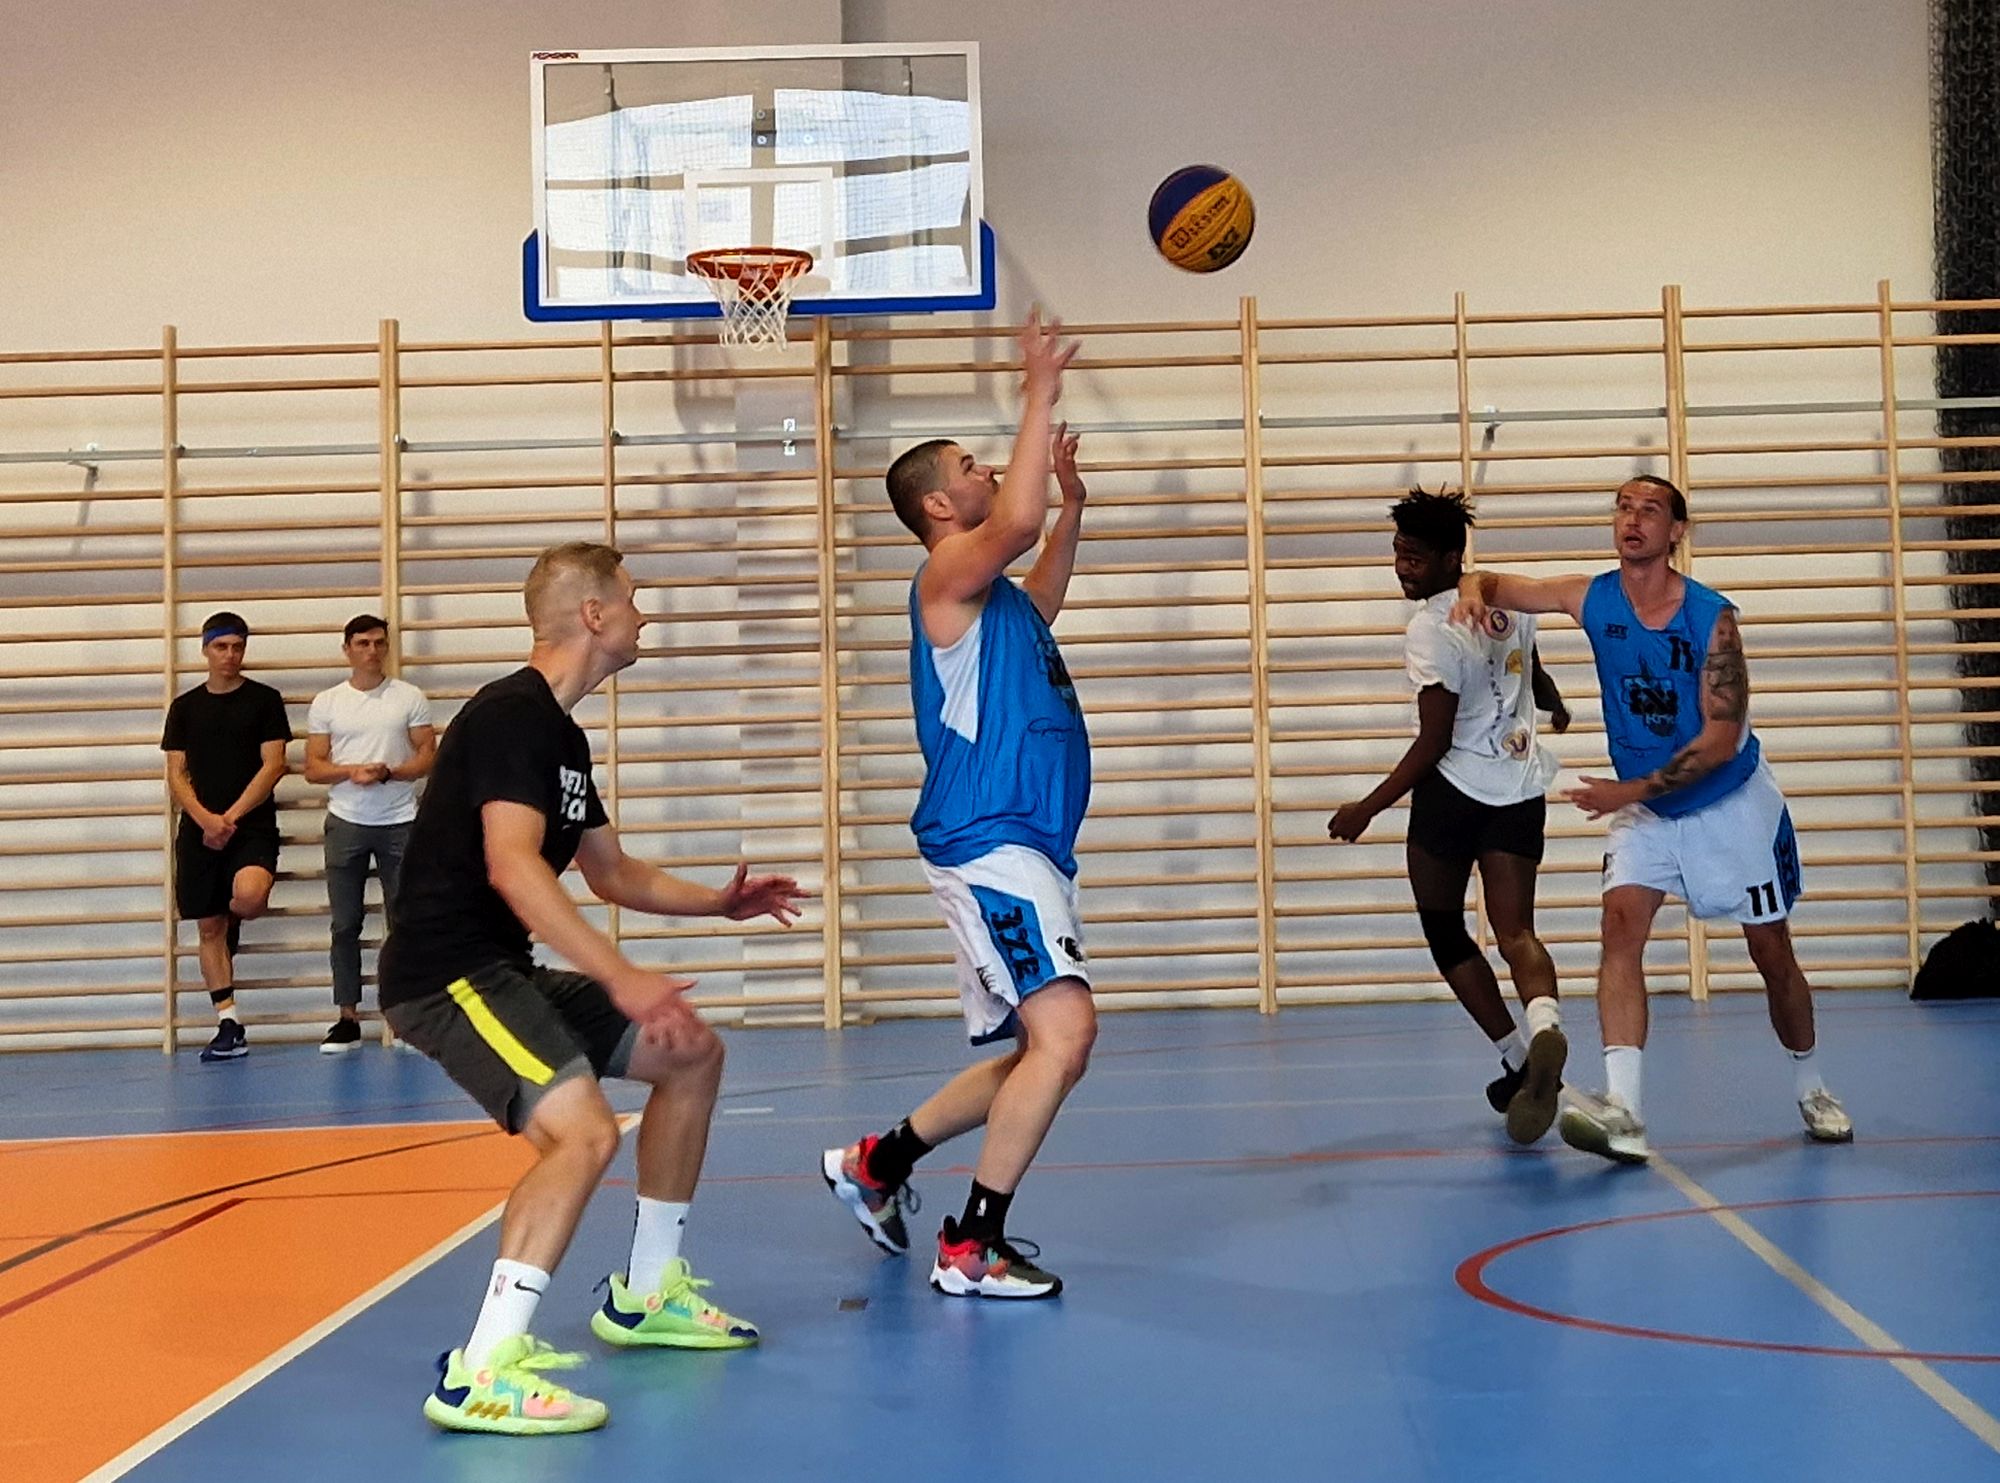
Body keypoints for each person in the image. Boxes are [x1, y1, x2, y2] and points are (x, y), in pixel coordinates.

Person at [378, 542, 805, 1435]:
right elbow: (512, 865)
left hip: (502, 969)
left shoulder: (562, 737)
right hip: (445, 977)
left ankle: (647, 1293)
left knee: (691, 1053)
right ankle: (481, 1368)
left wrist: (718, 904)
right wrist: (621, 973)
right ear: (595, 614)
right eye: (633, 598)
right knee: (581, 1134)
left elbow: (610, 871)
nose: (644, 615)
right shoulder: (509, 715)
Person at [1452, 474, 1854, 1162]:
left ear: (1676, 532)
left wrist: (1628, 790)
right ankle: (1626, 1111)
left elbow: (1720, 739)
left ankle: (1811, 1083)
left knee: (1771, 952)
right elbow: (1492, 582)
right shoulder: (1592, 597)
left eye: (1650, 510)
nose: (1632, 520)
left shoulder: (1711, 618)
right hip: (1646, 810)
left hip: (1729, 804)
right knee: (1619, 927)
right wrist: (1468, 590)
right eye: (1623, 508)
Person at [822, 312, 1096, 1301]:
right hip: (988, 840)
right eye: (973, 466)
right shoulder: (944, 574)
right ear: (941, 503)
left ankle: (878, 1161)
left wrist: (1071, 506)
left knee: (1039, 1048)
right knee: (1065, 1035)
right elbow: (1012, 527)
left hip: (1022, 842)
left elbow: (1041, 581)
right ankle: (972, 1245)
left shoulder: (997, 602)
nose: (989, 471)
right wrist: (1037, 392)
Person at [1328, 488, 1571, 1143]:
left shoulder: (1429, 629)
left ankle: (1519, 1058)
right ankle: (1546, 1026)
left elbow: (1434, 739)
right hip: (1518, 787)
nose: (1401, 568)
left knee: (1444, 928)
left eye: (1413, 557)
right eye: (1397, 553)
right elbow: (1529, 666)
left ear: (1449, 559)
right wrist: (1551, 702)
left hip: (1453, 793)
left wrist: (1368, 807)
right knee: (1516, 931)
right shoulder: (1510, 605)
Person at [161, 611, 290, 1062]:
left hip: (250, 825)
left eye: (237, 647)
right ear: (206, 649)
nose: (230, 655)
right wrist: (204, 819)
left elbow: (274, 765)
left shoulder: (265, 700)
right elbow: (176, 774)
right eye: (221, 647)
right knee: (208, 926)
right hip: (200, 829)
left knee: (249, 898)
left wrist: (229, 817)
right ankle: (229, 1022)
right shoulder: (185, 707)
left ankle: (232, 918)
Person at [304, 614, 435, 1053]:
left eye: (379, 642)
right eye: (362, 643)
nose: (372, 651)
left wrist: (389, 773)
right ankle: (347, 1019)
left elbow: (428, 757)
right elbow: (313, 767)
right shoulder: (328, 702)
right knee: (345, 924)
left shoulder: (409, 697)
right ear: (347, 649)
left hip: (400, 820)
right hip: (346, 820)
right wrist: (351, 772)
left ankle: (407, 1018)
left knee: (405, 922)